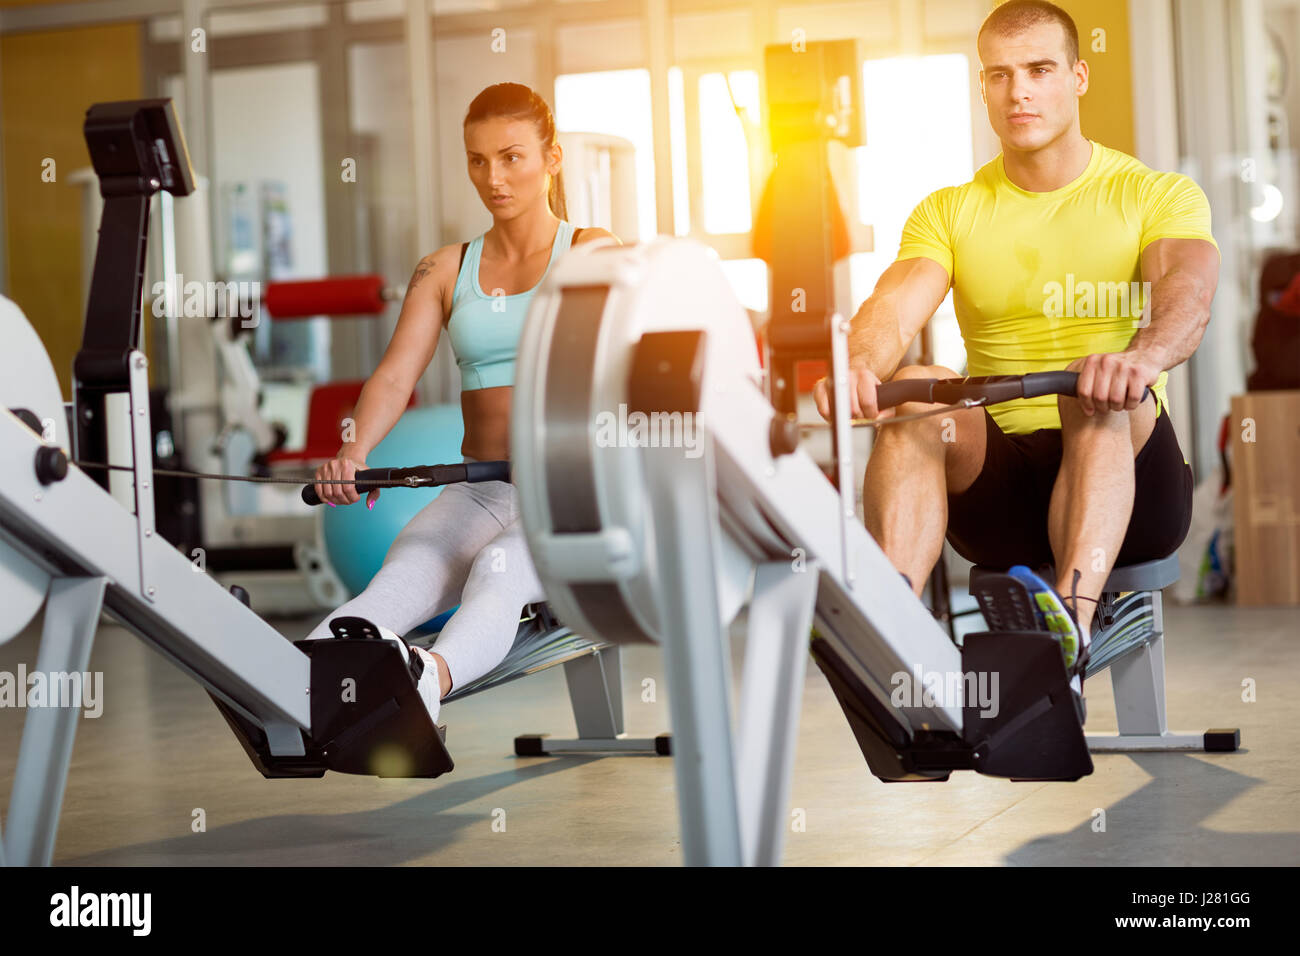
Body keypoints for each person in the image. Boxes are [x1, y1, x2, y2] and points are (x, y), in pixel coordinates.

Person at [813, 0, 1219, 697]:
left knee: (1090, 394)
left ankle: (1068, 635)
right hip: (1001, 491)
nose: (1019, 91)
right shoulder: (950, 210)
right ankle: (895, 640)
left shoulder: (1152, 194)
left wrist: (1142, 358)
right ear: (983, 87)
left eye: (1038, 70)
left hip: (1130, 480)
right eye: (999, 75)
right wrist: (857, 363)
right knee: (916, 390)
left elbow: (1188, 289)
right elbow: (894, 301)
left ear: (1078, 77)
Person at [307, 83, 621, 723]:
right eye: (477, 160)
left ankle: (424, 683)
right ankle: (302, 683)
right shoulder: (445, 268)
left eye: (511, 158)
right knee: (404, 572)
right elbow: (396, 377)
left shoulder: (591, 253)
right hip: (482, 486)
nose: (493, 178)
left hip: (571, 488)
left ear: (551, 159)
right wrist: (354, 449)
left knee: (499, 572)